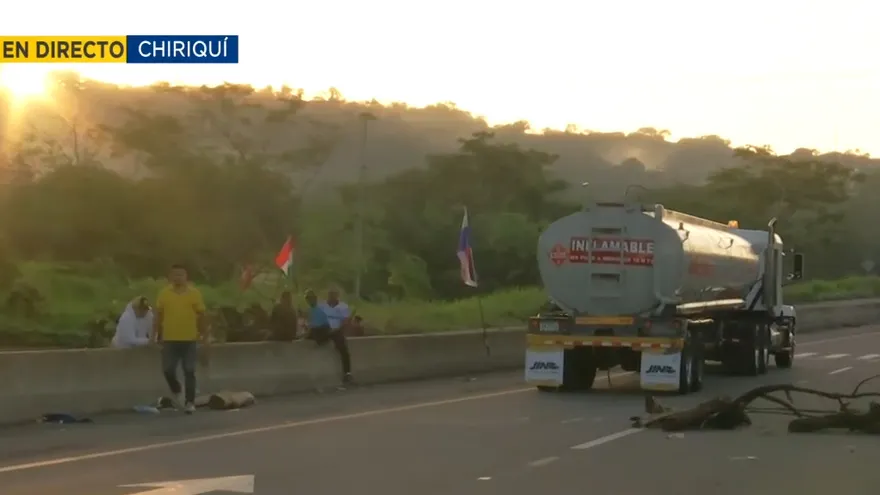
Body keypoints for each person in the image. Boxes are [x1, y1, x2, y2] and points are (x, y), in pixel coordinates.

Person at [153, 264, 207, 414]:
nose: (178, 277)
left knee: (189, 370)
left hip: (189, 339)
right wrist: (155, 335)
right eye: (175, 274)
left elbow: (202, 316)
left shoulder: (194, 293)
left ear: (186, 276)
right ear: (170, 276)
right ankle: (177, 390)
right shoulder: (164, 294)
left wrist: (204, 336)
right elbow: (158, 316)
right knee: (168, 369)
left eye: (181, 275)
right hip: (170, 339)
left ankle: (190, 402)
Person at [305, 289, 353, 384]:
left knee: (343, 347)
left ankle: (347, 373)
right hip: (324, 330)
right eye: (330, 296)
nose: (331, 298)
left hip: (334, 331)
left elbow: (345, 322)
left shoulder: (342, 307)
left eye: (333, 296)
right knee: (319, 331)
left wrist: (337, 329)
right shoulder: (321, 307)